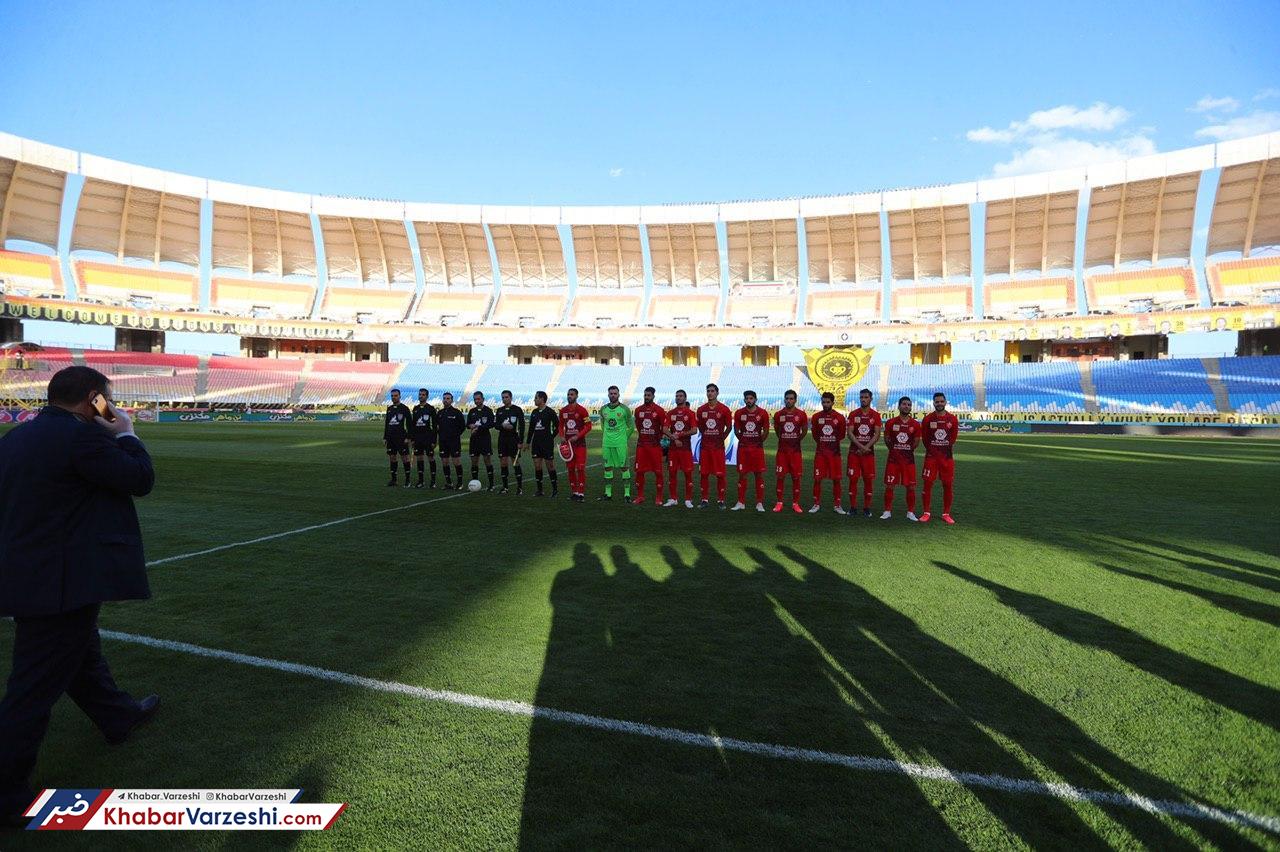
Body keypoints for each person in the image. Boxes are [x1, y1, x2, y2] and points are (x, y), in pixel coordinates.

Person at [0, 366, 159, 822]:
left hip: (31, 573)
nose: (110, 406)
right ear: (94, 399)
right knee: (32, 689)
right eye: (106, 400)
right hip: (63, 581)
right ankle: (6, 794)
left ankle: (117, 716)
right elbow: (139, 478)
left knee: (80, 654)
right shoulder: (83, 437)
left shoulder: (15, 438)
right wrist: (125, 432)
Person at [919, 391, 959, 524]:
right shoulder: (928, 419)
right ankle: (926, 512)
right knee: (927, 484)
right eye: (937, 402)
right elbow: (925, 439)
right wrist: (934, 449)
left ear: (945, 402)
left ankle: (946, 513)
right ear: (933, 403)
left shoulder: (952, 419)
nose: (939, 404)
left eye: (942, 401)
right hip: (931, 458)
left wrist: (942, 448)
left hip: (946, 458)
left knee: (947, 485)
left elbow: (953, 439)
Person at [882, 395, 921, 521]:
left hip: (908, 461)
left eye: (909, 405)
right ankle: (887, 511)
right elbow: (887, 439)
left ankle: (910, 512)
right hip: (893, 460)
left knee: (911, 486)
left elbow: (916, 442)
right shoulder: (891, 422)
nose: (906, 406)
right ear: (899, 406)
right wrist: (895, 450)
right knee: (890, 485)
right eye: (904, 404)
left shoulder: (915, 424)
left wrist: (906, 450)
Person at [846, 387, 882, 518]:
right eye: (861, 397)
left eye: (866, 397)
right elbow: (850, 433)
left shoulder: (875, 415)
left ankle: (867, 508)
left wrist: (866, 447)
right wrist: (861, 447)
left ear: (871, 399)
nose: (863, 399)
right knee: (853, 479)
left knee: (868, 480)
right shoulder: (853, 414)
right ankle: (853, 507)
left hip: (868, 454)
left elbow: (877, 434)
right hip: (854, 453)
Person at [695, 383, 733, 508]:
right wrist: (707, 435)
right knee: (704, 474)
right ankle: (704, 500)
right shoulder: (701, 410)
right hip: (705, 448)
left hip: (718, 448)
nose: (710, 393)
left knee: (720, 474)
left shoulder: (724, 409)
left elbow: (729, 427)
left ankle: (721, 500)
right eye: (708, 391)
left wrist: (722, 437)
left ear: (717, 393)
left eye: (712, 391)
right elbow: (700, 427)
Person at [731, 390, 769, 511]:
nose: (749, 400)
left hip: (757, 449)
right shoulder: (739, 413)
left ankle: (759, 503)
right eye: (747, 398)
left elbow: (766, 431)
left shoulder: (762, 413)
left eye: (751, 398)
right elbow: (736, 430)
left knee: (758, 474)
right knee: (742, 475)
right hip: (743, 449)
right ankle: (741, 502)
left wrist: (758, 442)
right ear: (744, 400)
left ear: (755, 399)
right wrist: (744, 440)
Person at [809, 392, 847, 513]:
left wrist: (830, 442)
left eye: (828, 402)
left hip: (834, 454)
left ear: (832, 403)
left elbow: (841, 435)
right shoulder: (816, 417)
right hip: (820, 454)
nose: (825, 404)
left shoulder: (839, 417)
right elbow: (815, 435)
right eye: (823, 402)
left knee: (836, 479)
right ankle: (816, 504)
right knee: (817, 479)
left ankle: (837, 505)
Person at [772, 389, 808, 513]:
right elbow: (777, 430)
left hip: (795, 452)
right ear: (784, 399)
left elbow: (804, 431)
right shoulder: (778, 415)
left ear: (795, 400)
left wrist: (796, 440)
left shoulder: (801, 414)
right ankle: (779, 503)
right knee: (780, 477)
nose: (789, 401)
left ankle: (795, 503)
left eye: (791, 399)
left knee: (796, 478)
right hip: (782, 452)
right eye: (787, 398)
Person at [597, 386, 635, 501]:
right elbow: (603, 424)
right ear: (608, 395)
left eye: (615, 393)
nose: (613, 395)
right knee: (607, 467)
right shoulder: (603, 409)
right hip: (607, 444)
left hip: (620, 444)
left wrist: (624, 438)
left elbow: (631, 426)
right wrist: (607, 435)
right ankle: (608, 493)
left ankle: (627, 494)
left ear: (618, 395)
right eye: (611, 393)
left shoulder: (624, 409)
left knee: (624, 467)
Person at [631, 386, 667, 506]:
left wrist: (658, 437)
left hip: (654, 447)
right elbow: (638, 425)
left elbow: (663, 427)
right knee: (639, 472)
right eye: (645, 395)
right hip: (641, 446)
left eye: (649, 395)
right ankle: (640, 496)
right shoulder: (638, 410)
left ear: (653, 396)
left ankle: (659, 497)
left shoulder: (659, 410)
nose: (646, 397)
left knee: (658, 472)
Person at [662, 389, 696, 508]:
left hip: (685, 449)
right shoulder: (670, 413)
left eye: (681, 396)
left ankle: (688, 499)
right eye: (677, 396)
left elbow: (694, 430)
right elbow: (664, 429)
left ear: (685, 398)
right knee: (672, 473)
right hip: (673, 449)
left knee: (688, 474)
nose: (678, 398)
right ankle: (673, 498)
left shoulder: (690, 413)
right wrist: (673, 437)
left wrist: (680, 435)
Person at [558, 388, 591, 502]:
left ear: (577, 396)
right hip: (568, 446)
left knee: (580, 468)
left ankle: (581, 493)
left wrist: (578, 436)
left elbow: (588, 426)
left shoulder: (582, 410)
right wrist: (562, 436)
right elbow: (560, 425)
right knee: (571, 469)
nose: (569, 396)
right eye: (568, 394)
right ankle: (574, 492)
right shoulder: (563, 411)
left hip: (580, 444)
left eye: (572, 394)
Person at [525, 391, 559, 498]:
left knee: (550, 466)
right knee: (537, 466)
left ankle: (555, 490)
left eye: (536, 398)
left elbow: (558, 426)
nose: (534, 400)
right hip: (536, 443)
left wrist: (551, 437)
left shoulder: (550, 412)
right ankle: (540, 490)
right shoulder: (534, 412)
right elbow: (531, 428)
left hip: (547, 443)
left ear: (542, 399)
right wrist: (528, 442)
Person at [495, 390, 526, 495]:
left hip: (514, 440)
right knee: (503, 462)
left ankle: (520, 488)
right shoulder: (499, 410)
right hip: (502, 440)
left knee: (515, 462)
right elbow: (496, 425)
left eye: (506, 397)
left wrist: (521, 441)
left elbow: (522, 426)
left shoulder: (517, 410)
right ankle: (505, 487)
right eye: (503, 397)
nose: (504, 399)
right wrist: (503, 426)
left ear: (511, 398)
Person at [436, 392, 467, 490]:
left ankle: (460, 483)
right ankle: (448, 483)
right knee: (445, 462)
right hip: (443, 441)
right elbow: (437, 427)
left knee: (456, 462)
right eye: (444, 398)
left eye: (448, 398)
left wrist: (455, 435)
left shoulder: (457, 412)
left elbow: (462, 426)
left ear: (452, 400)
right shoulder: (440, 413)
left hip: (454, 442)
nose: (446, 400)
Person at [466, 391, 496, 491]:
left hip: (485, 439)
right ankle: (474, 483)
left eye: (478, 399)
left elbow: (492, 424)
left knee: (487, 460)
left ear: (483, 399)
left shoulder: (488, 411)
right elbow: (468, 424)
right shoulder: (472, 411)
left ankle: (491, 484)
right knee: (474, 462)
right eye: (475, 399)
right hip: (474, 440)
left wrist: (479, 428)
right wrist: (470, 425)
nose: (476, 401)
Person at [383, 388, 412, 487]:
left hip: (401, 437)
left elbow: (409, 424)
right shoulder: (389, 408)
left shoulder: (404, 408)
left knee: (405, 458)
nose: (393, 397)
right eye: (392, 396)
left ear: (400, 396)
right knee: (392, 457)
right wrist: (385, 437)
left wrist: (408, 437)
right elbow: (387, 424)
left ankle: (408, 480)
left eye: (395, 396)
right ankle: (394, 480)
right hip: (391, 438)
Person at [410, 388, 438, 489]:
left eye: (423, 395)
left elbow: (434, 426)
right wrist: (412, 439)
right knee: (419, 458)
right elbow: (413, 425)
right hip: (418, 438)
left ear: (427, 396)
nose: (421, 396)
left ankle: (433, 481)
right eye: (420, 394)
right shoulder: (415, 408)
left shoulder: (431, 409)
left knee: (431, 458)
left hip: (428, 438)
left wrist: (434, 440)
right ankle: (421, 481)